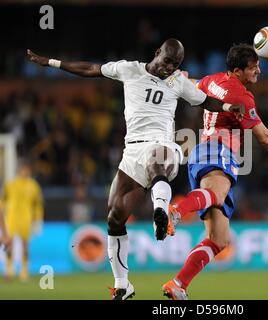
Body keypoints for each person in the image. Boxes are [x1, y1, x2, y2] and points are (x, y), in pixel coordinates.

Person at [27, 38, 244, 300]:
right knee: (114, 218)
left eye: (175, 65)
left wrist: (225, 107)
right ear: (157, 53)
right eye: (167, 61)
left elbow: (203, 101)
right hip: (132, 153)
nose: (169, 68)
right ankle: (123, 285)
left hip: (164, 145)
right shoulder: (129, 69)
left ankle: (163, 214)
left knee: (158, 164)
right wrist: (51, 62)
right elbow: (91, 69)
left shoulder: (178, 82)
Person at [161, 43, 268, 300]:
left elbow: (192, 83)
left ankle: (178, 284)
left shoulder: (213, 80)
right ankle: (177, 210)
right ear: (238, 71)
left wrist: (178, 77)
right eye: (253, 67)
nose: (259, 70)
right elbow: (264, 137)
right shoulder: (241, 97)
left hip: (202, 153)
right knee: (216, 194)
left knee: (219, 239)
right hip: (218, 151)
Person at [1, 160, 44, 281]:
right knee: (9, 243)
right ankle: (9, 268)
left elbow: (37, 204)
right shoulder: (10, 184)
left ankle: (24, 270)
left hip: (26, 218)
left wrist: (38, 219)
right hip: (12, 217)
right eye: (22, 169)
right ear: (19, 171)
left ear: (29, 171)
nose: (24, 172)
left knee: (25, 245)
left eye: (26, 169)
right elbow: (3, 200)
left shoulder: (33, 186)